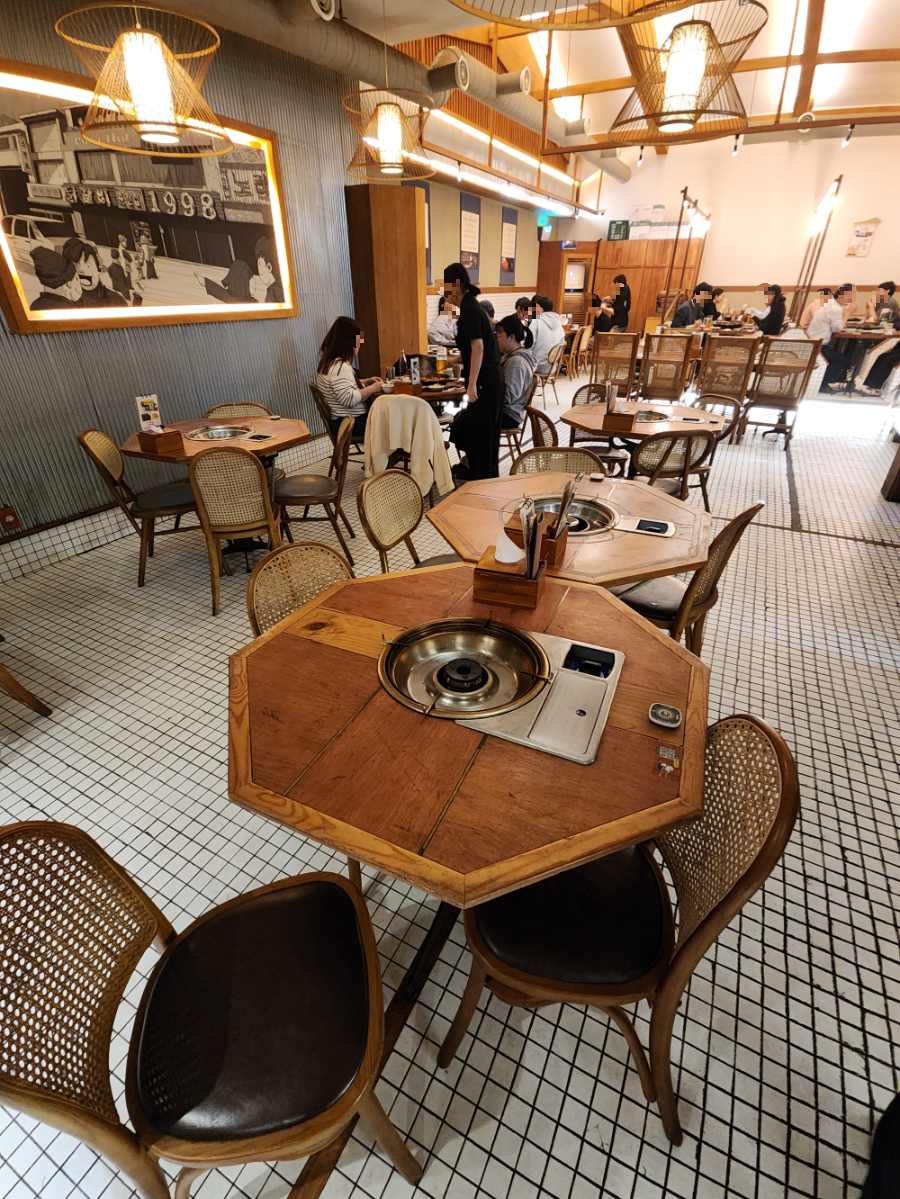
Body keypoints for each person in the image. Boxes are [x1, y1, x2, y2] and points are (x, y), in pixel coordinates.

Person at [444, 261, 505, 481]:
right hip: (490, 381)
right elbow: (475, 347)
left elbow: (478, 347)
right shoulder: (471, 307)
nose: (445, 292)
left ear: (457, 286)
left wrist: (471, 385)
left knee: (482, 440)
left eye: (446, 286)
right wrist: (455, 359)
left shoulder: (470, 310)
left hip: (485, 384)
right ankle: (482, 481)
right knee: (481, 439)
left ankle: (482, 485)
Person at [316, 316, 383, 437]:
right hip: (349, 423)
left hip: (341, 420)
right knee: (391, 421)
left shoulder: (329, 362)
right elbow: (349, 399)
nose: (360, 344)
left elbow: (342, 388)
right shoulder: (340, 366)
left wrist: (364, 382)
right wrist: (373, 388)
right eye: (358, 340)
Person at [807, 283, 855, 392]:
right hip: (817, 344)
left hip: (813, 341)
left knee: (837, 355)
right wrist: (848, 312)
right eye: (851, 295)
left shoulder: (831, 304)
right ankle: (822, 385)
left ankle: (824, 383)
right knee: (839, 359)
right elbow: (838, 328)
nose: (852, 298)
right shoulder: (835, 308)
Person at [496, 314, 536, 431]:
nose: (497, 339)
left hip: (509, 414)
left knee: (468, 418)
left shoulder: (517, 361)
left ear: (511, 337)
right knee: (465, 415)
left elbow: (509, 395)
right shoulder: (510, 356)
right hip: (505, 410)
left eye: (500, 335)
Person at [61, 237, 126, 307]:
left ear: (98, 269)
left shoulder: (117, 300)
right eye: (75, 265)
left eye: (88, 265)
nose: (81, 270)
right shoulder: (66, 302)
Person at [529, 296, 566, 375]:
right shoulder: (559, 325)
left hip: (536, 365)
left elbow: (528, 344)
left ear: (541, 309)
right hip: (553, 366)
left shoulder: (536, 322)